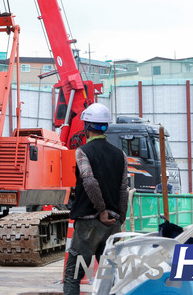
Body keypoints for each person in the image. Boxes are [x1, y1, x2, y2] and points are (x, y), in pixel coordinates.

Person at [63, 103, 129, 295]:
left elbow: (89, 182)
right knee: (111, 275)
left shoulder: (83, 151)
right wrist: (119, 219)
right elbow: (123, 189)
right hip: (112, 225)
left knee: (73, 275)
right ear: (105, 126)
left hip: (88, 226)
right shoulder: (121, 155)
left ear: (86, 126)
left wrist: (101, 212)